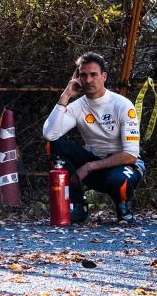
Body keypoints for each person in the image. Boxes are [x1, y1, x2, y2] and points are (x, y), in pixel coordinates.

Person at [42, 52, 145, 225]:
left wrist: (89, 167)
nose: (88, 80)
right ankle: (78, 206)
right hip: (94, 165)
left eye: (93, 74)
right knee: (53, 146)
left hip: (124, 165)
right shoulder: (77, 106)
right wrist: (66, 95)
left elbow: (131, 155)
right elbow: (49, 134)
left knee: (117, 181)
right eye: (83, 75)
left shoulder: (122, 104)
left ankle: (123, 209)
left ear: (104, 76)